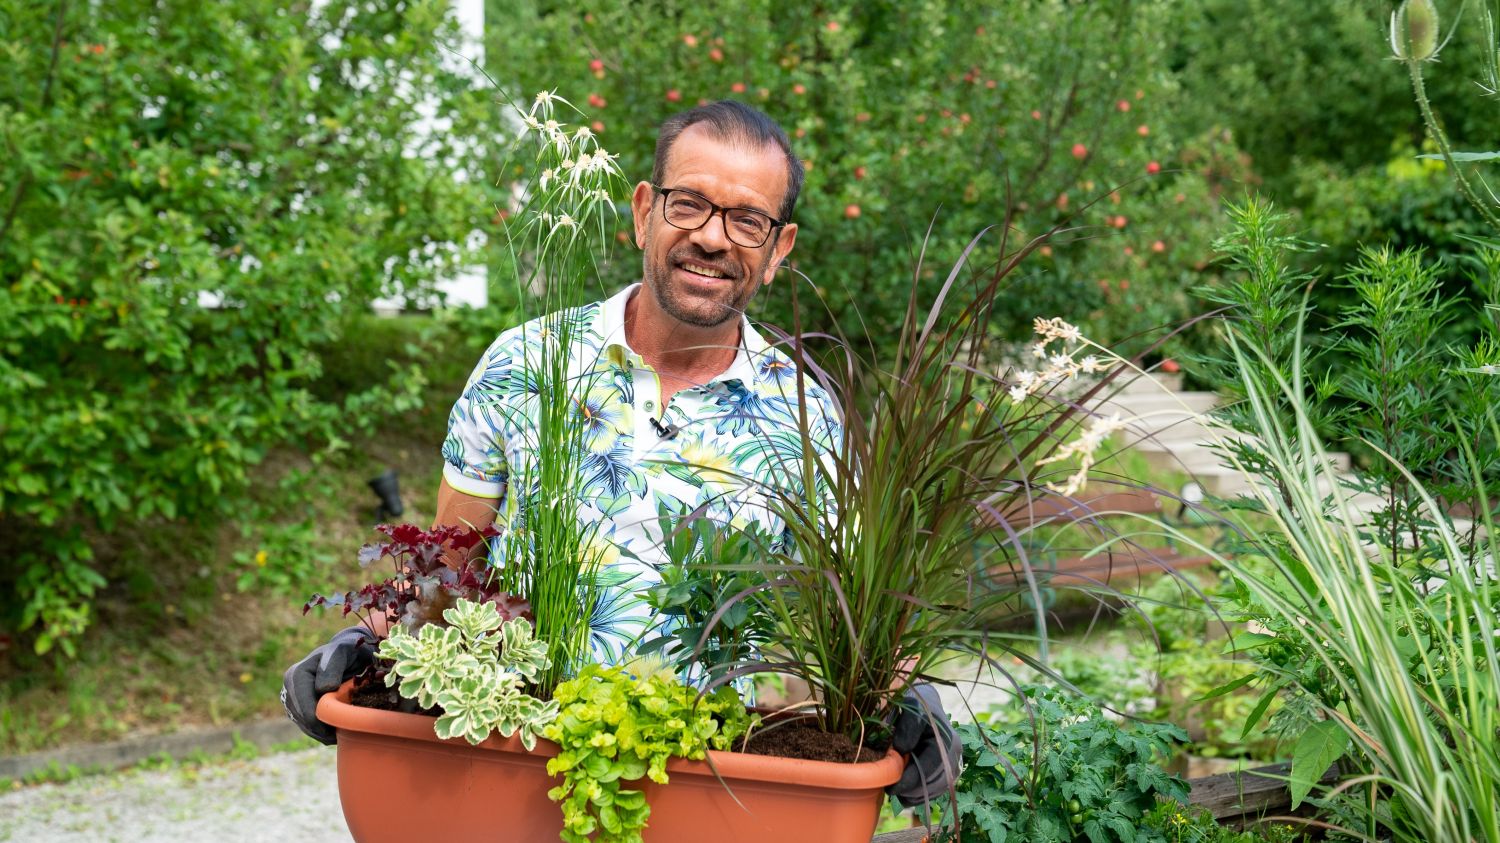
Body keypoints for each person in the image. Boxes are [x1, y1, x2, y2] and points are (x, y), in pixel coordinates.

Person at [282, 100, 959, 808]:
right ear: (644, 211)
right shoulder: (524, 364)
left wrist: (901, 694)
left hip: (716, 795)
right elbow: (449, 575)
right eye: (689, 204)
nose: (713, 238)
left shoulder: (808, 418)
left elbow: (844, 629)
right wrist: (367, 643)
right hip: (520, 781)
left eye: (747, 220)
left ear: (778, 250)